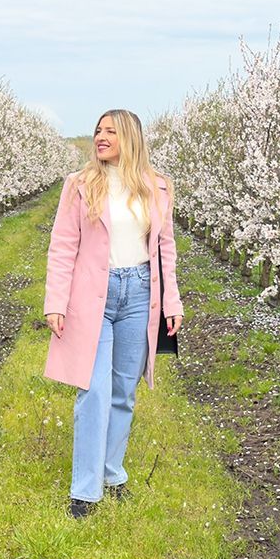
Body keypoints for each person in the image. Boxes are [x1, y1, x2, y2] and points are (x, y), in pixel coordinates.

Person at [43, 109, 184, 519]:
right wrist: (56, 300)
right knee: (94, 390)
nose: (101, 137)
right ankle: (85, 491)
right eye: (98, 131)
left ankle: (111, 472)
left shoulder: (157, 188)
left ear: (130, 138)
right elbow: (62, 244)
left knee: (124, 390)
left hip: (140, 293)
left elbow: (166, 251)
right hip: (93, 297)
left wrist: (172, 303)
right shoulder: (80, 186)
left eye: (111, 131)